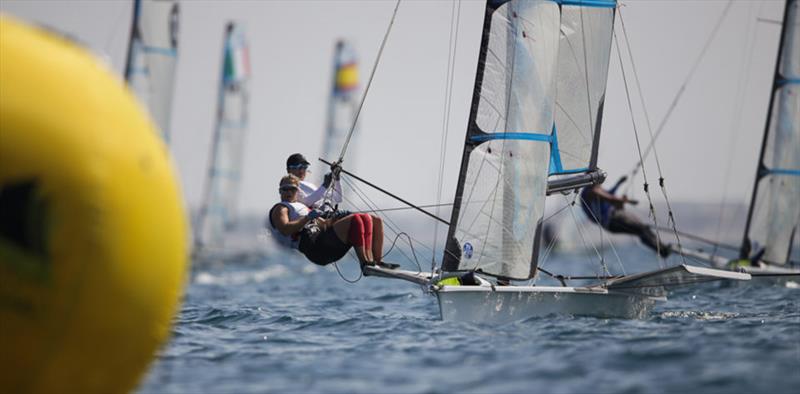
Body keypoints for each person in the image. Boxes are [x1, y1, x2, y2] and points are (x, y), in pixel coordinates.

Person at [268, 174, 398, 269]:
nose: (289, 192)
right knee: (356, 220)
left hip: (326, 240)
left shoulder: (303, 204)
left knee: (372, 219)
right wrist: (307, 218)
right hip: (315, 248)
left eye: (292, 189)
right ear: (280, 191)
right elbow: (285, 229)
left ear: (297, 191)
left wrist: (335, 179)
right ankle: (365, 263)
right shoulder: (281, 208)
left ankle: (377, 261)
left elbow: (334, 199)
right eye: (285, 189)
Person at [580, 176, 671, 258]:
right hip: (612, 220)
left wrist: (619, 183)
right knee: (642, 229)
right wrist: (625, 201)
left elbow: (610, 194)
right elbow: (611, 199)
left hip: (610, 224)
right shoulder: (591, 191)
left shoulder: (591, 191)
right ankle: (662, 250)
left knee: (643, 229)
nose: (601, 183)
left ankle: (661, 248)